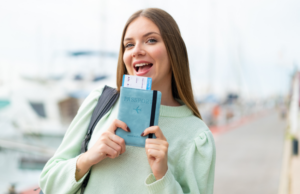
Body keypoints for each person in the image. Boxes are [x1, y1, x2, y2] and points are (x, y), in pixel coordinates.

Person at [39, 8, 216, 194]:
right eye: (129, 45)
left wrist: (163, 177)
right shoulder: (100, 102)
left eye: (151, 40)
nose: (137, 51)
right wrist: (89, 157)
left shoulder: (197, 136)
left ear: (174, 50)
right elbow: (48, 181)